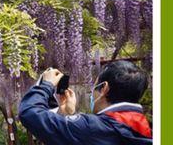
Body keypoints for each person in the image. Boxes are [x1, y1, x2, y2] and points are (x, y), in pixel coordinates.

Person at [19, 61, 152, 144]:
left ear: (104, 89)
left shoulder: (94, 128)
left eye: (94, 87)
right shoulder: (144, 130)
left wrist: (45, 85)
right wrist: (66, 115)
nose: (91, 93)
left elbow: (29, 112)